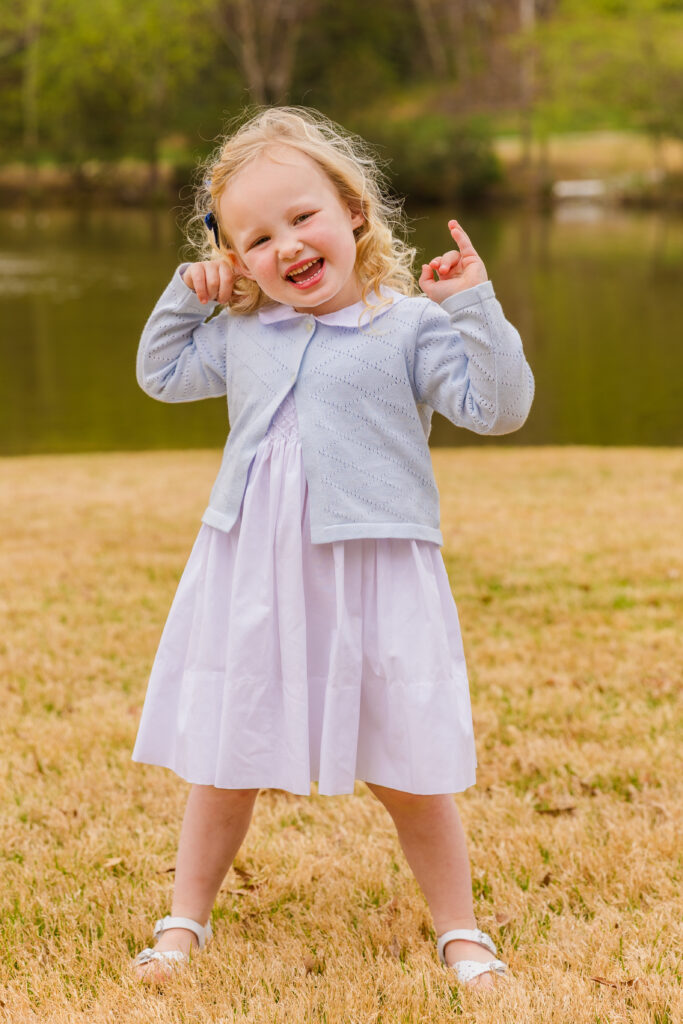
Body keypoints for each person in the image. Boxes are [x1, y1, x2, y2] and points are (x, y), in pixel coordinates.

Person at [131, 106, 534, 990]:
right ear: (237, 257)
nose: (287, 246)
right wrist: (187, 292)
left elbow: (498, 408)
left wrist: (471, 302)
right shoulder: (242, 335)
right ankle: (182, 921)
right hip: (253, 572)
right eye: (257, 237)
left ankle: (459, 931)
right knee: (225, 756)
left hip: (375, 572)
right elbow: (159, 375)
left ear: (352, 210)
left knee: (410, 762)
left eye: (302, 216)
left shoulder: (411, 328)